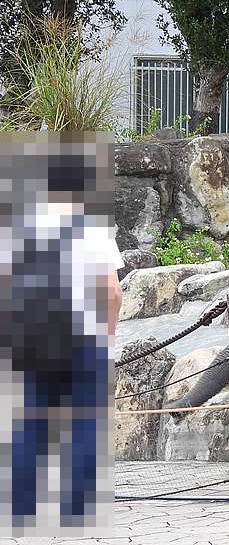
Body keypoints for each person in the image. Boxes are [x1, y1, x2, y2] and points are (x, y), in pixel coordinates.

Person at [7, 151, 120, 533]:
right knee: (85, 424)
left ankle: (21, 509)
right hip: (84, 340)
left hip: (34, 339)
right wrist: (109, 331)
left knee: (31, 423)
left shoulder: (22, 227)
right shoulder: (93, 228)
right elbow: (112, 290)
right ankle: (76, 512)